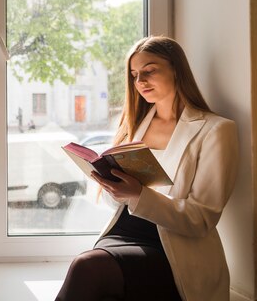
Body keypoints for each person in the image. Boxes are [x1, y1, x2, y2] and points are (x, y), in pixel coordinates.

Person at [56, 36, 239, 301]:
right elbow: (117, 203)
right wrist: (111, 185)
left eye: (149, 71)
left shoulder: (215, 130)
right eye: (134, 75)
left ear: (176, 69)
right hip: (122, 233)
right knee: (88, 270)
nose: (140, 81)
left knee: (87, 267)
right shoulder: (135, 126)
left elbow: (202, 219)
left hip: (173, 248)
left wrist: (137, 195)